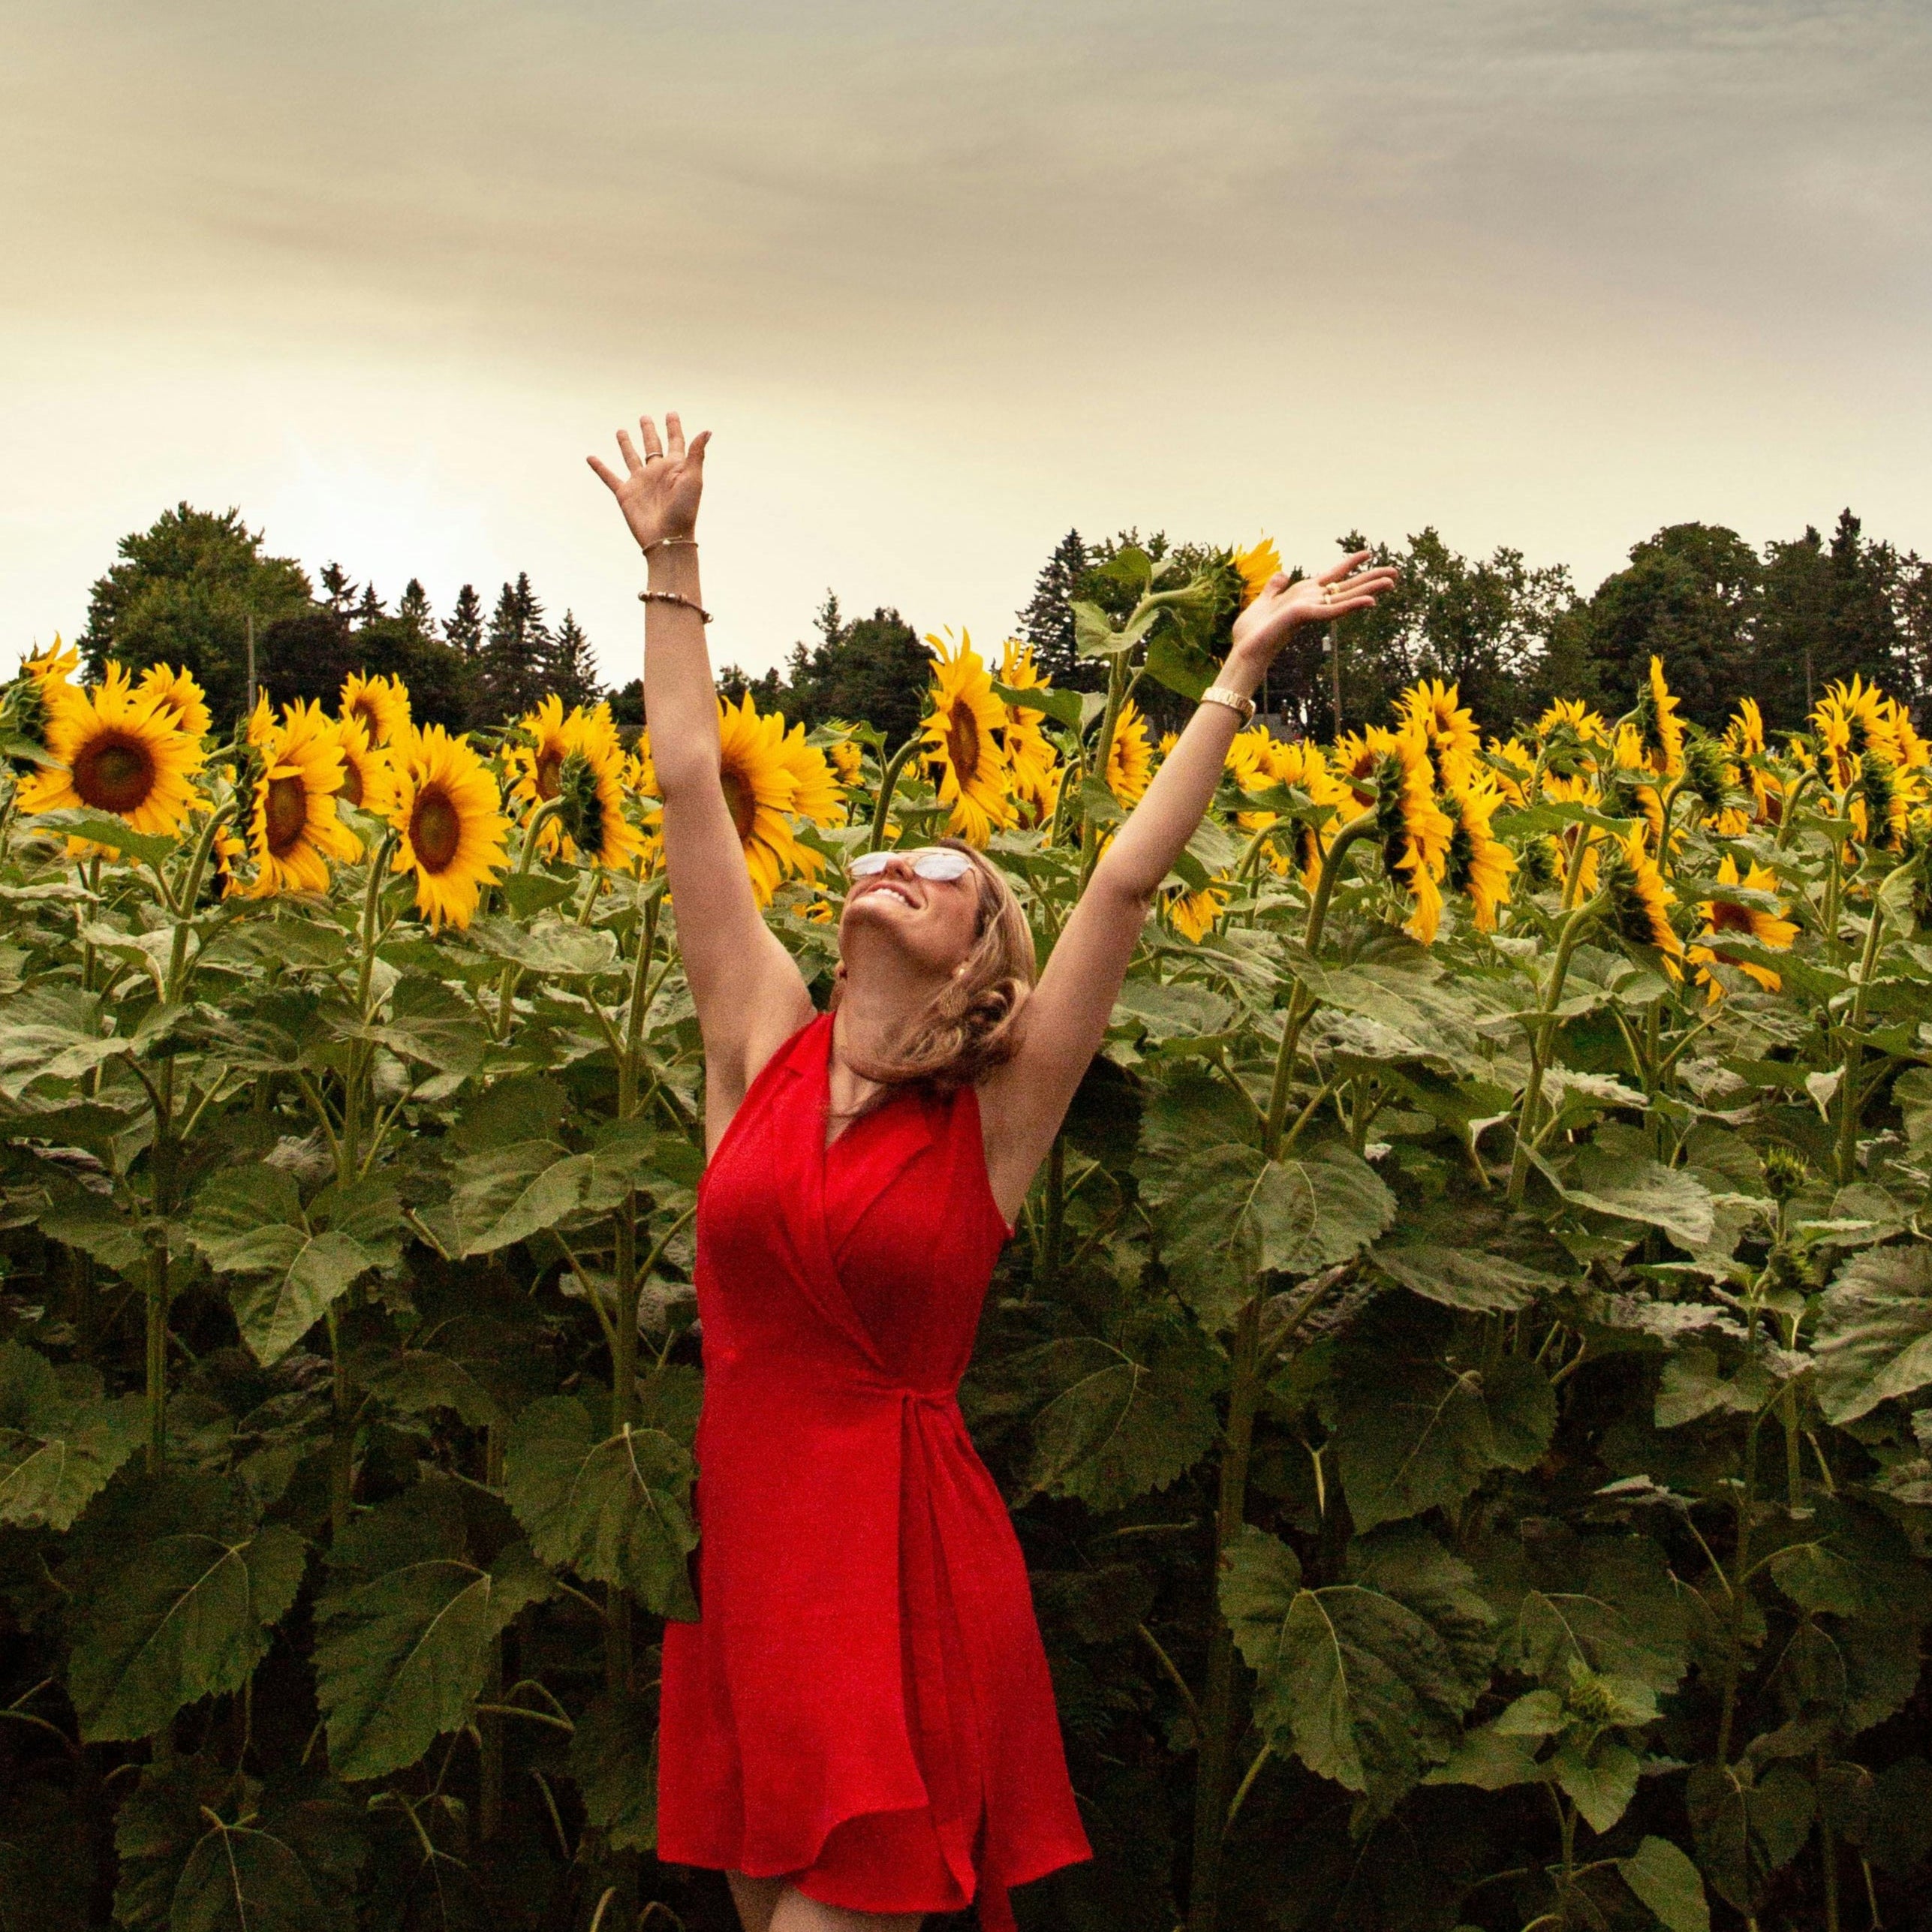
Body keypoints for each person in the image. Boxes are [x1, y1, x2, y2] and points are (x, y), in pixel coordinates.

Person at [588, 412, 1396, 1932]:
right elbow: (692, 785)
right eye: (880, 857)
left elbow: (1126, 879)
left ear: (979, 953)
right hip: (759, 1568)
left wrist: (1238, 671)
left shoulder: (999, 1110)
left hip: (898, 1576)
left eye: (939, 872)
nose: (892, 863)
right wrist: (673, 558)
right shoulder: (760, 1040)